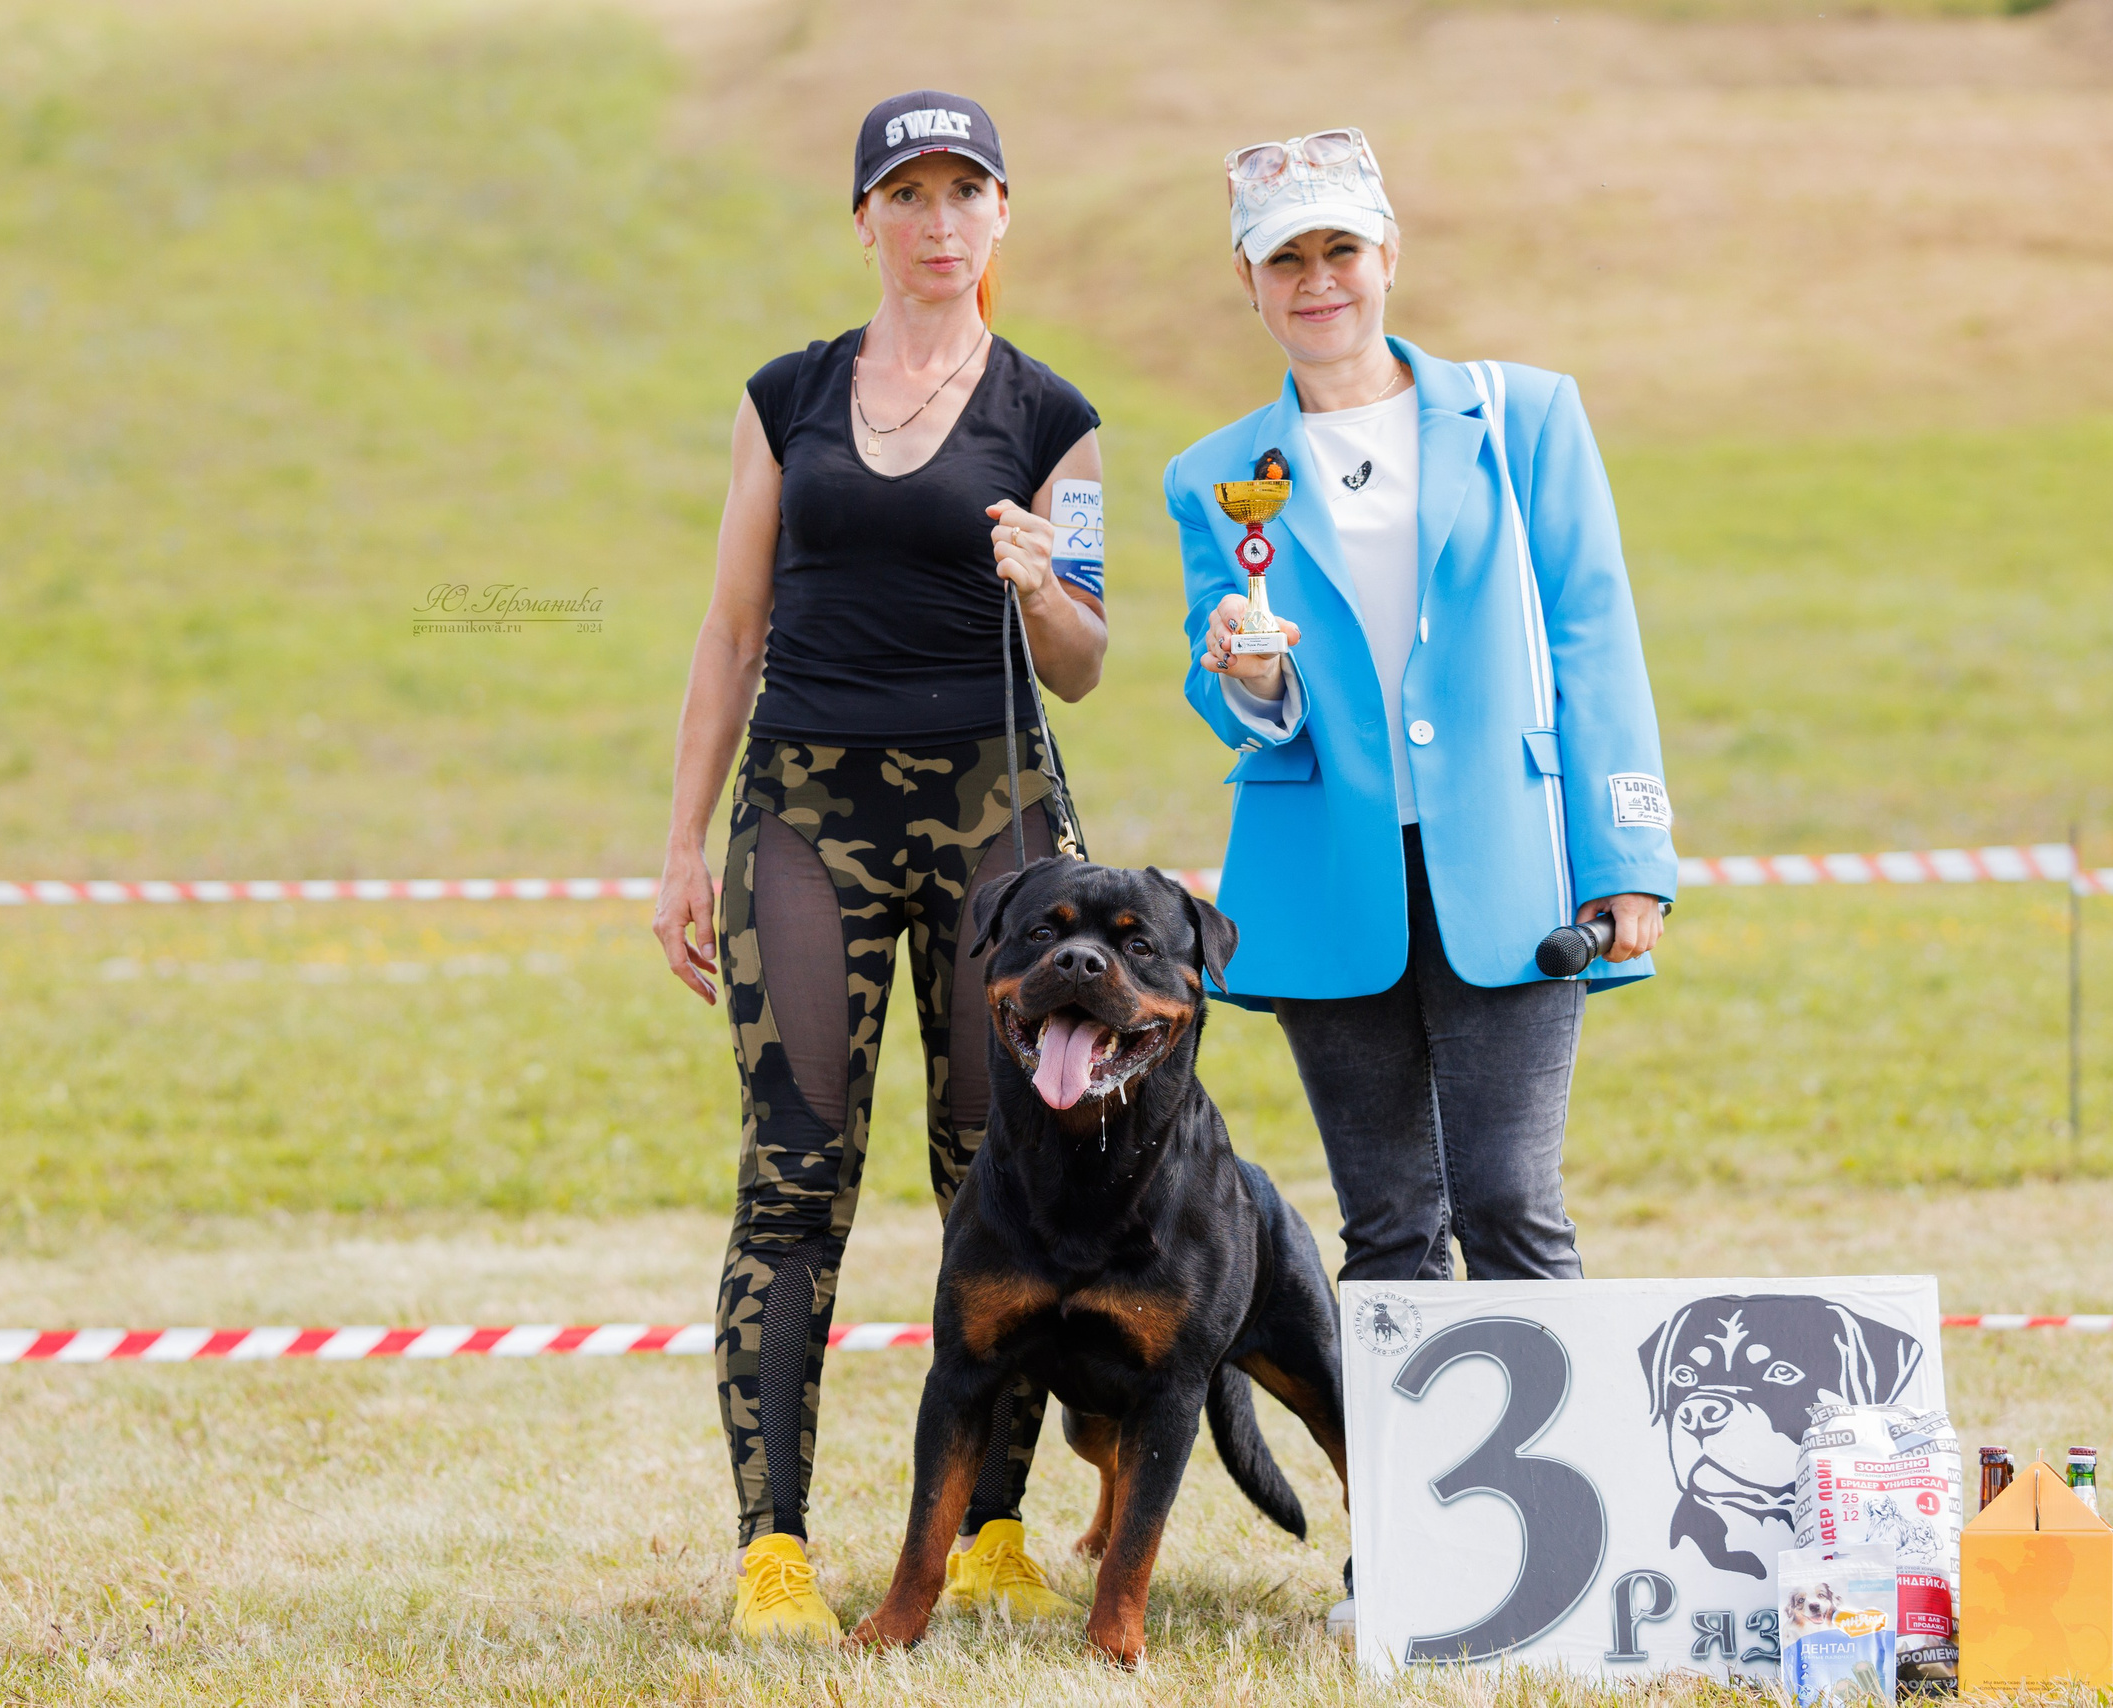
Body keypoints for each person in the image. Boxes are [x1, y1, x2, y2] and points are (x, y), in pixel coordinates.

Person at [651, 90, 1107, 1642]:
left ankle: (992, 1528)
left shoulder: (1053, 419)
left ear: (1000, 216)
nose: (934, 222)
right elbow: (729, 630)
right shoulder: (785, 397)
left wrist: (1042, 589)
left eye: (962, 192)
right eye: (904, 194)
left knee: (1008, 1181)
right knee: (794, 1179)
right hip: (804, 813)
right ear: (864, 220)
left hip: (1000, 827)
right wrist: (677, 848)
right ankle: (771, 1546)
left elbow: (1088, 662)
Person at [1166, 126, 1676, 1346]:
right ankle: (1399, 1535)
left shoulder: (1526, 415)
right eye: (1285, 259)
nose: (1317, 279)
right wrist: (1239, 667)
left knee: (1509, 1204)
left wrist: (1628, 861)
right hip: (1329, 875)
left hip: (1512, 866)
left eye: (1341, 248)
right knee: (1387, 1224)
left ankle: (1566, 1530)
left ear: (1388, 254)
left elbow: (1593, 632)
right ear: (1248, 282)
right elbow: (1232, 690)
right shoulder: (1212, 474)